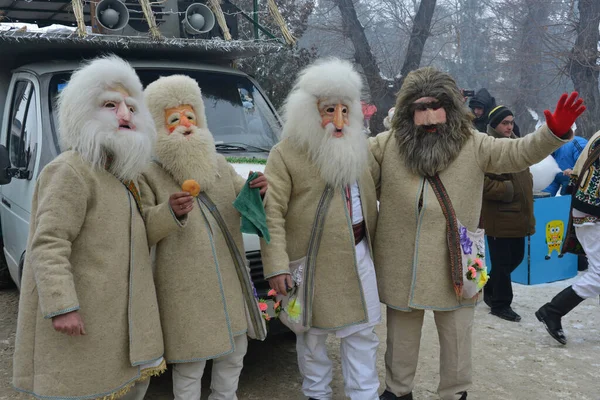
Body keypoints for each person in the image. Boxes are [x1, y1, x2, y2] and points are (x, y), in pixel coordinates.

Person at [370, 67, 584, 400]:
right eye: (420, 107)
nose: (428, 116)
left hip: (457, 262)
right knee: (400, 339)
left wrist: (552, 133)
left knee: (457, 339)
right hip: (403, 263)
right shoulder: (387, 146)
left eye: (436, 105)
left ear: (450, 107)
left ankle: (454, 393)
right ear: (409, 109)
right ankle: (398, 391)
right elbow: (350, 169)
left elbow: (517, 153)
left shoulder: (472, 144)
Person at [13, 55, 165, 399]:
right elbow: (48, 243)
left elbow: (137, 235)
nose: (125, 115)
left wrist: (170, 213)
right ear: (83, 110)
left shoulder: (124, 173)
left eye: (130, 106)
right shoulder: (71, 170)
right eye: (110, 105)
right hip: (86, 314)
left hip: (121, 315)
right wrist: (63, 305)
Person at [139, 74, 268, 400]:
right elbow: (142, 231)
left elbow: (246, 206)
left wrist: (260, 191)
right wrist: (170, 212)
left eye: (190, 116)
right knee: (190, 365)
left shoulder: (221, 165)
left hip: (228, 280)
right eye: (174, 118)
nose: (185, 124)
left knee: (235, 353)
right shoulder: (146, 173)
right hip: (183, 287)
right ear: (157, 124)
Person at [261, 58, 381, 400]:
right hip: (309, 263)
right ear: (310, 111)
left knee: (361, 335)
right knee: (310, 337)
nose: (338, 120)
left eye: (345, 109)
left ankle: (365, 394)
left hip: (358, 258)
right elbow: (272, 213)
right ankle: (317, 394)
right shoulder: (284, 154)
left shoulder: (361, 148)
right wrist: (277, 266)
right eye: (330, 109)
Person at [535, 130, 600, 345]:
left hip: (589, 209)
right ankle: (552, 311)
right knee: (599, 274)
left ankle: (553, 311)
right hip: (591, 212)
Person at [481, 106, 535, 322]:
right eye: (505, 123)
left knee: (517, 258)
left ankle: (489, 287)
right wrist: (509, 190)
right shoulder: (487, 147)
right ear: (494, 124)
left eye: (511, 122)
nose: (509, 126)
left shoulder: (516, 143)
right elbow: (481, 182)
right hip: (499, 216)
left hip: (518, 214)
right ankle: (500, 304)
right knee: (503, 263)